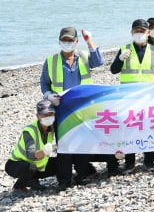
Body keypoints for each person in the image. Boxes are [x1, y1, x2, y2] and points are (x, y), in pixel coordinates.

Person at [40, 26, 105, 191]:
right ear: (60, 41)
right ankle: (64, 180)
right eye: (64, 40)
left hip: (82, 108)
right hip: (61, 108)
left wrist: (89, 40)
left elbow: (99, 62)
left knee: (82, 140)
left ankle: (82, 175)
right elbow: (44, 83)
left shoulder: (83, 57)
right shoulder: (51, 61)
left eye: (70, 40)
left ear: (76, 42)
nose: (67, 43)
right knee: (64, 143)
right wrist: (48, 96)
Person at [111, 19, 154, 173]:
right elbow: (113, 70)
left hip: (148, 96)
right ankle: (129, 163)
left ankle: (148, 161)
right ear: (131, 33)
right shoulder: (125, 49)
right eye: (136, 31)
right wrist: (120, 59)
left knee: (148, 127)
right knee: (129, 128)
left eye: (142, 31)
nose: (139, 34)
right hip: (128, 97)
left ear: (148, 33)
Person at [5, 100, 58, 193]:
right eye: (45, 115)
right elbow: (31, 155)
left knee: (59, 163)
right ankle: (19, 186)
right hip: (16, 165)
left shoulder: (52, 127)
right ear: (38, 116)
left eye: (51, 114)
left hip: (37, 164)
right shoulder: (29, 130)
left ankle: (32, 179)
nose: (48, 117)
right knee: (31, 167)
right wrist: (44, 152)